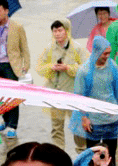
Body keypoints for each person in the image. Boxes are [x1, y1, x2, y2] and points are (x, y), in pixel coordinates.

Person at [70, 36, 118, 165]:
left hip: (111, 118)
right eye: (105, 53)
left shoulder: (112, 66)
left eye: (109, 53)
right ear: (96, 52)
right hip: (93, 121)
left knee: (111, 154)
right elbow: (79, 96)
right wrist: (84, 117)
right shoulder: (84, 71)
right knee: (92, 155)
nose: (107, 56)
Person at [0, 0, 30, 138]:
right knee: (0, 96)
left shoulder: (17, 27)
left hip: (12, 65)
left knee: (13, 97)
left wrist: (26, 65)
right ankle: (5, 121)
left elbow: (24, 47)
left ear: (6, 11)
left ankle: (13, 126)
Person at [37, 19, 88, 152]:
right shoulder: (49, 48)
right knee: (56, 126)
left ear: (67, 31)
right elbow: (39, 68)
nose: (57, 34)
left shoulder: (77, 48)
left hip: (73, 93)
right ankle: (58, 154)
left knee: (77, 125)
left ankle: (82, 152)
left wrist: (68, 68)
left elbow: (87, 69)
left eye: (60, 30)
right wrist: (51, 67)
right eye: (55, 31)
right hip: (55, 92)